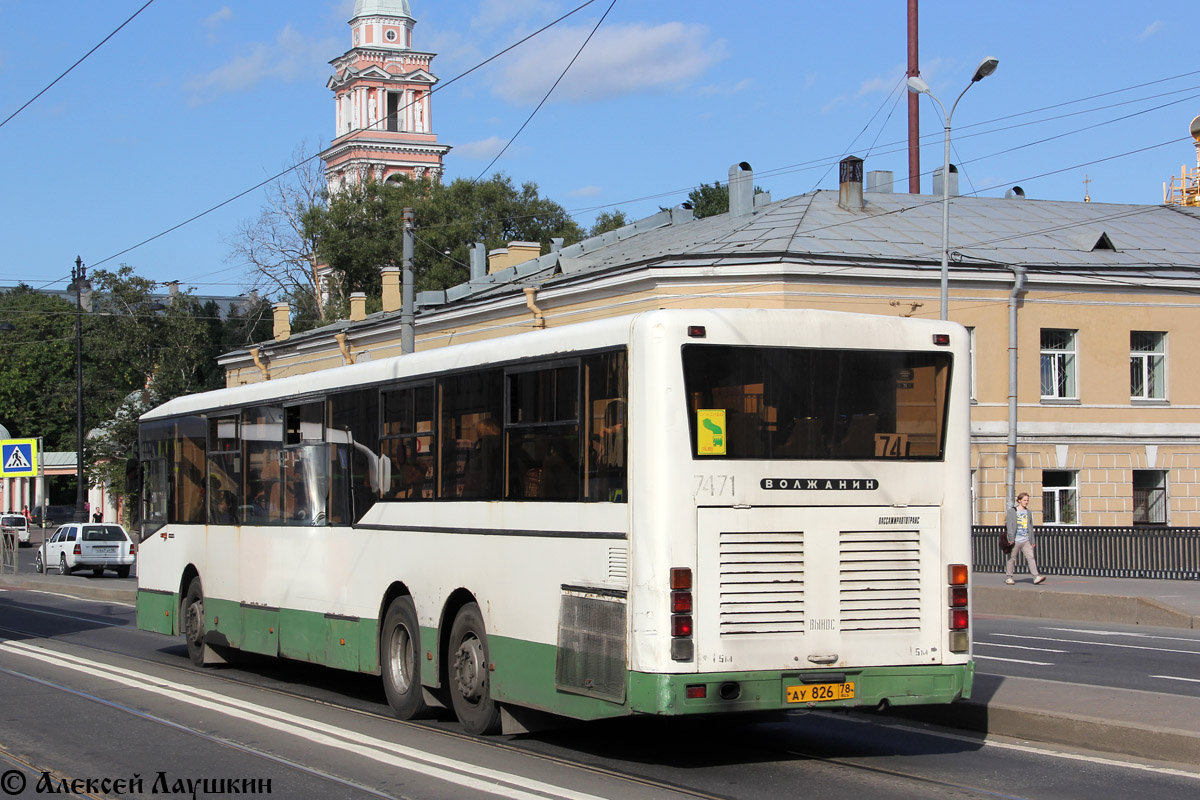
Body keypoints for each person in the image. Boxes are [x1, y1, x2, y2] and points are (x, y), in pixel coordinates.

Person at [1005, 492, 1045, 585]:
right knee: (1012, 558)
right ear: (1019, 500)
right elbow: (1009, 525)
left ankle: (1036, 576)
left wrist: (1032, 540)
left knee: (1031, 557)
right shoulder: (1012, 511)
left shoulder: (1028, 512)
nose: (1026, 502)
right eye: (1024, 500)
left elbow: (1030, 526)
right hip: (1015, 540)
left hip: (1026, 539)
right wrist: (1011, 538)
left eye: (1027, 500)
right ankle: (1009, 577)